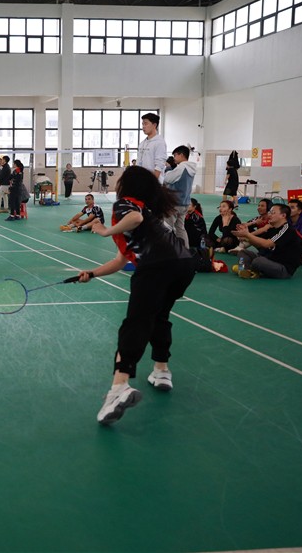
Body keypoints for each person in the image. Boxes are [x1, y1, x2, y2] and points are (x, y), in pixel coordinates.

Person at [80, 166, 195, 425]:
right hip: (184, 266)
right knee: (159, 316)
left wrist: (104, 231)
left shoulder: (126, 205)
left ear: (126, 185)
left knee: (135, 324)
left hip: (157, 266)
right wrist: (93, 273)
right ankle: (161, 370)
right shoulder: (149, 211)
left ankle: (119, 387)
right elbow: (121, 260)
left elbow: (134, 219)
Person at [232, 204, 302, 279]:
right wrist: (246, 237)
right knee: (243, 252)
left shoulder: (287, 229)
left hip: (283, 268)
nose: (269, 215)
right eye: (269, 212)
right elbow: (259, 245)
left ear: (283, 215)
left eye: (273, 213)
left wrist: (247, 234)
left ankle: (248, 269)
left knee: (258, 261)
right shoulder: (272, 228)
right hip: (269, 260)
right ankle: (243, 270)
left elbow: (267, 244)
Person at [162, 145, 195, 248]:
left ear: (181, 155)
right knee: (180, 228)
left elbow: (167, 179)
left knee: (167, 227)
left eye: (175, 155)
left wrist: (167, 168)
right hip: (185, 203)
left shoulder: (181, 167)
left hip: (174, 203)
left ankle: (168, 251)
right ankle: (186, 250)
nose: (174, 158)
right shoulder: (191, 168)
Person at [136, 112, 167, 180]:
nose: (143, 126)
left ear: (154, 125)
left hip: (154, 182)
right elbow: (138, 163)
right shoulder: (142, 143)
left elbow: (159, 165)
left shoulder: (159, 142)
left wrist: (152, 182)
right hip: (142, 180)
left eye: (146, 124)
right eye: (142, 124)